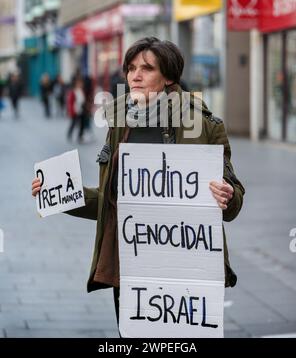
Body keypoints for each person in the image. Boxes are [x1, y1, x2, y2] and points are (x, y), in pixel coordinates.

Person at [32, 36, 245, 331]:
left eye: (147, 68)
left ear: (168, 76)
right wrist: (59, 195)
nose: (135, 76)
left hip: (185, 265)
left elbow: (233, 202)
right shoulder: (120, 124)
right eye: (131, 68)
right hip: (131, 267)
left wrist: (228, 195)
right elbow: (110, 201)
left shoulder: (205, 125)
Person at [66, 76, 86, 143]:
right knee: (73, 123)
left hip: (81, 110)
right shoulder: (73, 92)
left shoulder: (81, 91)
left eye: (81, 83)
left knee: (82, 124)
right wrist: (71, 111)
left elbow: (83, 100)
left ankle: (80, 136)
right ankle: (69, 134)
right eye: (79, 83)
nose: (81, 84)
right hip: (75, 111)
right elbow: (70, 103)